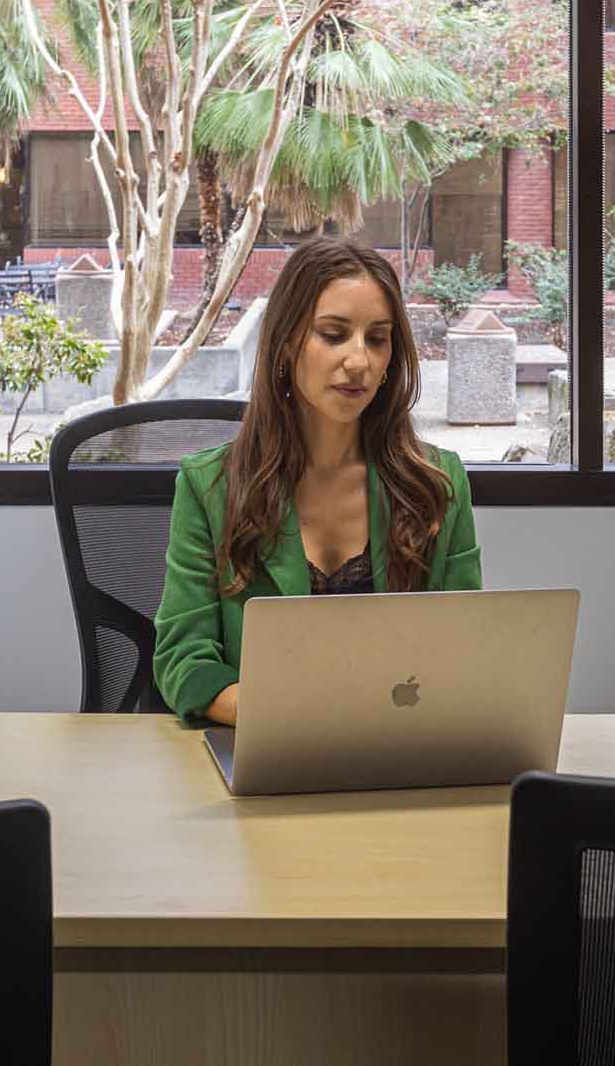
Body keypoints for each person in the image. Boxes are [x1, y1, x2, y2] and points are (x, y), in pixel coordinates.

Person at [153, 237, 482, 725]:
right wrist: (276, 714)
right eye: (333, 334)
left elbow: (466, 651)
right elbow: (183, 658)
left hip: (404, 747)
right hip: (266, 743)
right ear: (287, 344)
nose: (359, 362)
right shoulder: (211, 486)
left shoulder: (437, 484)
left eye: (377, 338)